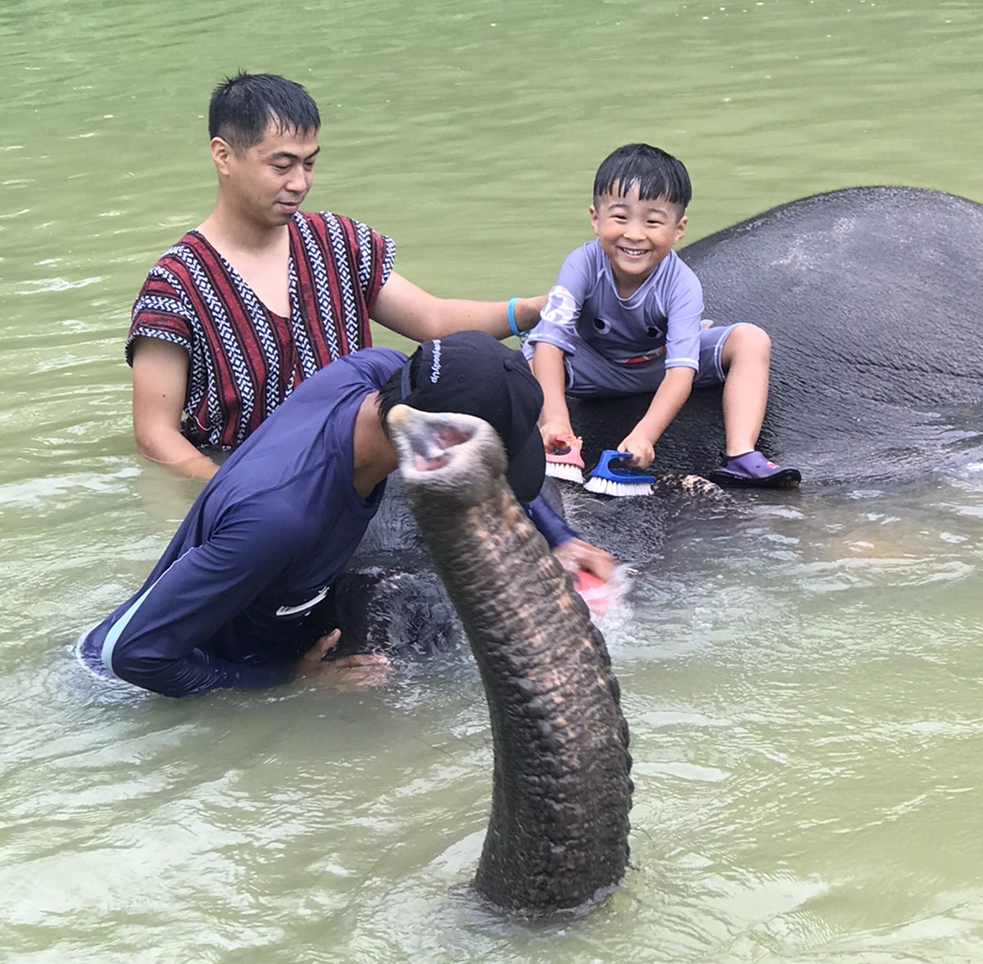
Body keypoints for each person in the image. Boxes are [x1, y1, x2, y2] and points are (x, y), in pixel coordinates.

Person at [80, 332, 617, 698]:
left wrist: (559, 536)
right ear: (435, 447)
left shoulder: (378, 372)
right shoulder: (282, 517)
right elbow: (131, 655)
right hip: (152, 678)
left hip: (238, 602)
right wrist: (289, 681)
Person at [129, 72, 547, 481]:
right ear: (223, 155)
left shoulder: (336, 241)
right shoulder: (175, 284)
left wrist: (527, 312)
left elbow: (432, 320)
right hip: (247, 475)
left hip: (354, 466)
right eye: (282, 165)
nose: (300, 183)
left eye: (309, 163)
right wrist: (233, 487)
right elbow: (155, 433)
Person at [526, 142, 800, 487]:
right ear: (596, 219)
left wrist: (644, 436)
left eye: (653, 221)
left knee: (751, 339)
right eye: (620, 217)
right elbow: (551, 342)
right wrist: (556, 420)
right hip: (592, 367)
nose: (635, 234)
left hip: (658, 364)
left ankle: (741, 453)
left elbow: (682, 372)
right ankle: (548, 441)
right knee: (532, 356)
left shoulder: (682, 283)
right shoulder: (580, 264)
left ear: (678, 230)